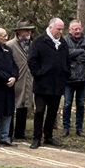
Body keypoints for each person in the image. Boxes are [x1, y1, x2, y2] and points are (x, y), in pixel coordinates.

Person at [28, 18, 70, 148]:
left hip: (57, 84)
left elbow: (67, 60)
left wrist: (66, 73)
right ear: (51, 27)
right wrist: (39, 73)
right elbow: (31, 60)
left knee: (52, 112)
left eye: (62, 29)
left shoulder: (63, 43)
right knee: (40, 111)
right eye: (58, 29)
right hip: (42, 84)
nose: (61, 32)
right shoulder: (39, 41)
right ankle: (36, 138)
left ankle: (48, 136)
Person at [62, 20, 85, 137]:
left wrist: (77, 57)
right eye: (75, 29)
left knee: (81, 104)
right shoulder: (65, 40)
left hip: (83, 77)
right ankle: (66, 128)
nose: (78, 31)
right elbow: (65, 53)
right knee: (67, 103)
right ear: (70, 30)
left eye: (79, 29)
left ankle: (79, 128)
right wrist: (81, 51)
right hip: (69, 78)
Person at [6, 21, 35, 140]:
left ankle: (20, 133)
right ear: (18, 31)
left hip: (28, 79)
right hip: (14, 79)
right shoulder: (10, 45)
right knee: (11, 106)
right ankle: (8, 132)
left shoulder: (32, 44)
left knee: (24, 105)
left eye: (29, 30)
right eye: (25, 30)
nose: (28, 32)